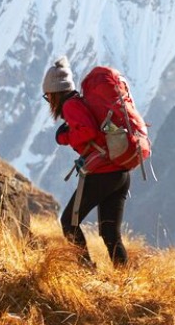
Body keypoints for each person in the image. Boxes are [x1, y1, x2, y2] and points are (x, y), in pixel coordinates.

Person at [45, 56, 131, 268]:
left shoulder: (71, 106)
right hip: (120, 173)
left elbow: (88, 131)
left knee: (68, 222)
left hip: (102, 174)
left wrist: (64, 137)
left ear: (55, 93)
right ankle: (125, 281)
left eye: (48, 97)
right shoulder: (82, 102)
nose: (49, 102)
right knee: (111, 234)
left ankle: (85, 269)